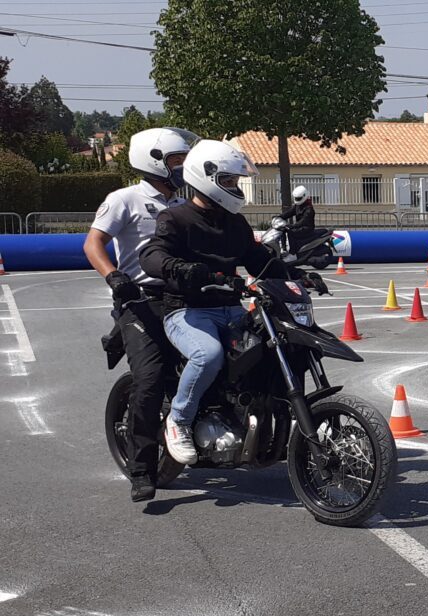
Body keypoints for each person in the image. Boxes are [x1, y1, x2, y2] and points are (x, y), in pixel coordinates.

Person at [139, 140, 290, 466]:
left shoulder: (234, 222)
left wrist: (296, 276)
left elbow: (257, 258)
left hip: (232, 309)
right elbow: (151, 255)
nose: (235, 187)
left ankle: (260, 418)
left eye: (236, 181)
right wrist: (181, 269)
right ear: (205, 177)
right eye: (228, 181)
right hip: (186, 311)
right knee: (208, 355)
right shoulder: (175, 218)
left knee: (272, 346)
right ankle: (177, 421)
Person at [85, 127, 195, 502]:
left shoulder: (187, 204)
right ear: (154, 160)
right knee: (149, 379)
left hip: (185, 298)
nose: (184, 168)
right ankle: (142, 468)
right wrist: (114, 277)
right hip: (140, 300)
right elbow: (93, 242)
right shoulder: (125, 199)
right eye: (178, 161)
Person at [280, 185, 317, 252]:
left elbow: (303, 221)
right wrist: (279, 217)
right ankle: (284, 249)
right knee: (282, 229)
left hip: (307, 228)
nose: (297, 200)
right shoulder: (297, 206)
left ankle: (293, 252)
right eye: (296, 198)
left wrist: (292, 226)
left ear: (304, 196)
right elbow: (289, 213)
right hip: (299, 227)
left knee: (290, 232)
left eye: (299, 198)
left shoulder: (309, 208)